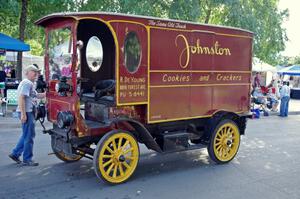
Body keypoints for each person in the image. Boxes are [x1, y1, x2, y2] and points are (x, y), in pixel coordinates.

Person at [8, 65, 46, 166]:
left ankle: (15, 153)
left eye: (37, 72)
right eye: (33, 71)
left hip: (28, 112)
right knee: (29, 136)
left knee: (26, 135)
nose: (36, 74)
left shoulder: (29, 83)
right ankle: (27, 159)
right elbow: (21, 98)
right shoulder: (27, 83)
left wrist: (46, 94)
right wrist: (24, 114)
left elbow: (36, 95)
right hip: (27, 112)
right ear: (27, 72)